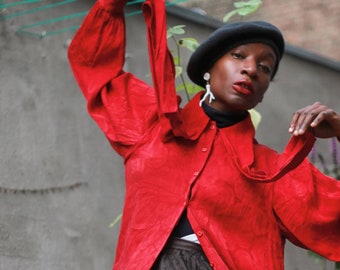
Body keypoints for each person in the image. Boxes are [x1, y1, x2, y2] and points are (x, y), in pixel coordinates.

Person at [68, 0, 340, 269]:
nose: (251, 69)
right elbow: (96, 68)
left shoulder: (273, 172)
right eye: (238, 55)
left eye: (264, 68)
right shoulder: (151, 124)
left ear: (263, 94)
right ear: (208, 70)